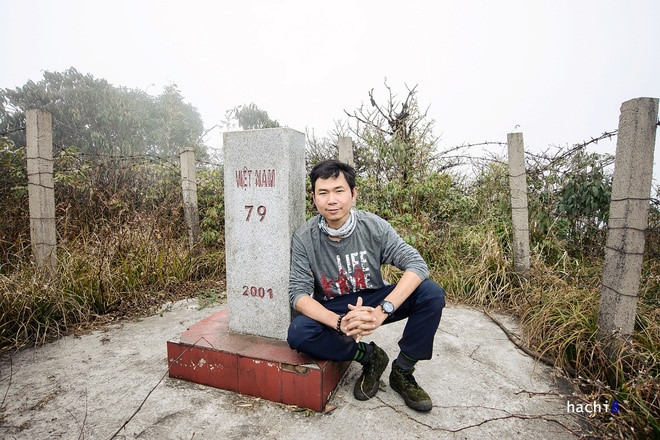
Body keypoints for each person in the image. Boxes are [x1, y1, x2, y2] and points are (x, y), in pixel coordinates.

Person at [287, 159, 446, 412]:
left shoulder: (374, 227)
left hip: (374, 298)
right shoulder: (305, 237)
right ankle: (370, 356)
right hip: (334, 305)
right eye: (323, 193)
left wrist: (382, 311)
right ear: (314, 198)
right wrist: (339, 322)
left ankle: (403, 371)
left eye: (339, 191)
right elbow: (298, 294)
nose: (331, 200)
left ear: (353, 194)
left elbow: (417, 265)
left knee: (431, 293)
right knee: (298, 333)